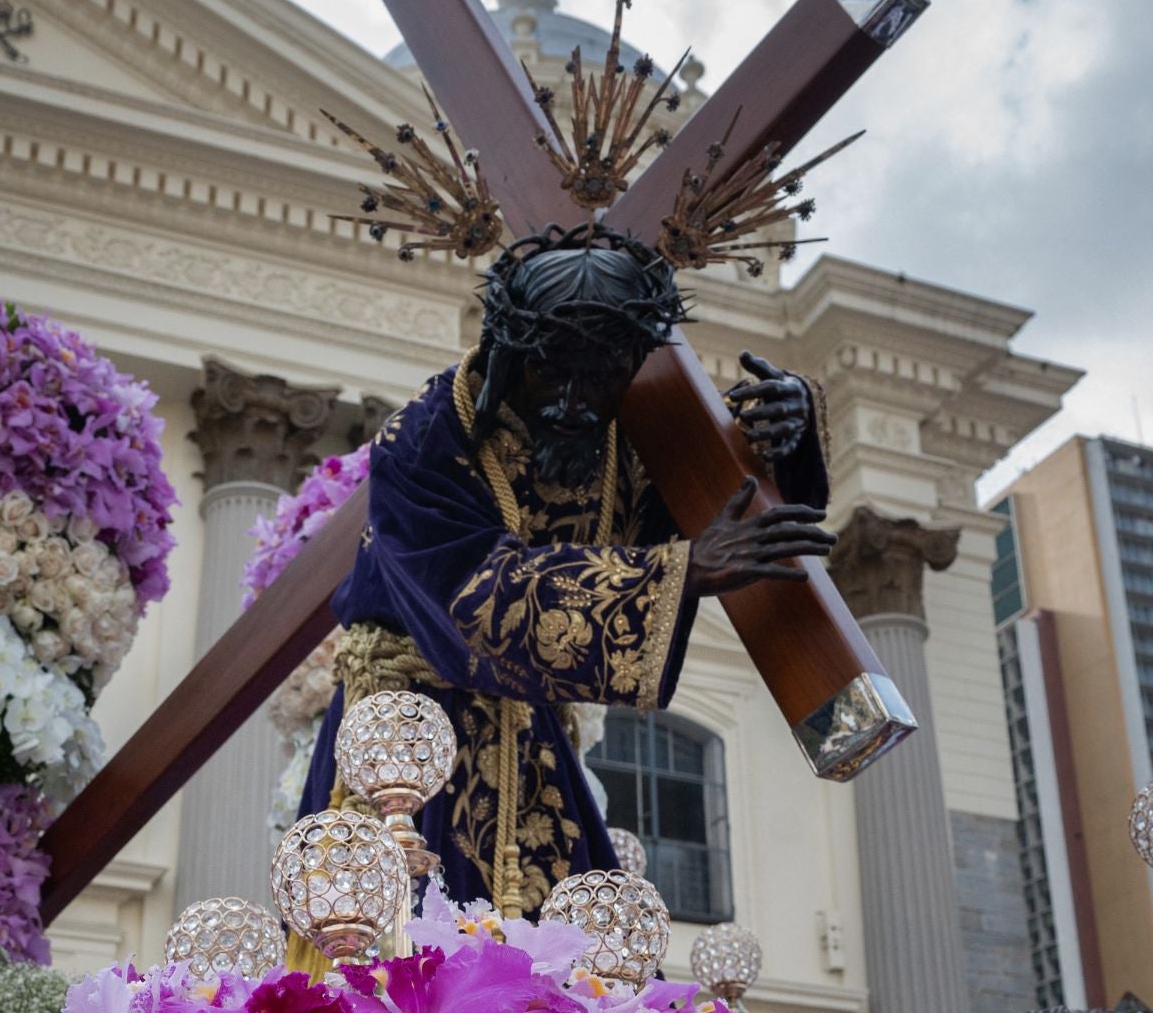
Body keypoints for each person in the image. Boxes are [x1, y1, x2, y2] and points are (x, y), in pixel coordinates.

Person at [296, 222, 837, 918]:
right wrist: (678, 573)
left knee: (569, 960)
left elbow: (730, 510)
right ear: (505, 350)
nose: (573, 401)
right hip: (408, 734)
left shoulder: (625, 438)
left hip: (536, 743)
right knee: (390, 944)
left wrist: (780, 435)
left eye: (601, 376)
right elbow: (469, 600)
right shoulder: (425, 439)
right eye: (552, 369)